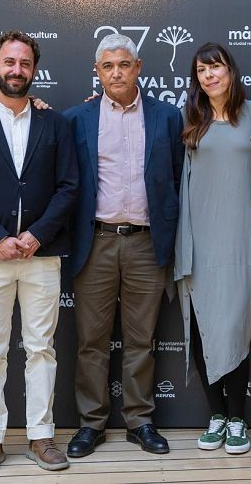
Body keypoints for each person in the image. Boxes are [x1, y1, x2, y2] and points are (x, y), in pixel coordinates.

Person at [0, 31, 78, 476]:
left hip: (42, 257)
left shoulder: (55, 124)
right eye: (9, 62)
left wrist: (37, 235)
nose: (16, 70)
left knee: (41, 348)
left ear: (34, 69)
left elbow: (69, 188)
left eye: (24, 63)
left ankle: (41, 435)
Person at [63, 33, 184, 457]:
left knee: (141, 339)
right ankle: (91, 425)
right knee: (91, 341)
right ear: (97, 72)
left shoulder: (168, 116)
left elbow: (175, 179)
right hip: (95, 242)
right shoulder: (76, 118)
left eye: (124, 64)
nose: (117, 72)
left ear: (139, 67)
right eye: (108, 66)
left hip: (146, 244)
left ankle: (139, 421)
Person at [174, 43, 251, 455]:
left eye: (216, 67)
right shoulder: (188, 118)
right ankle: (217, 415)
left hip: (243, 240)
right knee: (203, 326)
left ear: (231, 71)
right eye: (201, 70)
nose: (209, 75)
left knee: (235, 327)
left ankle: (238, 417)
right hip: (197, 239)